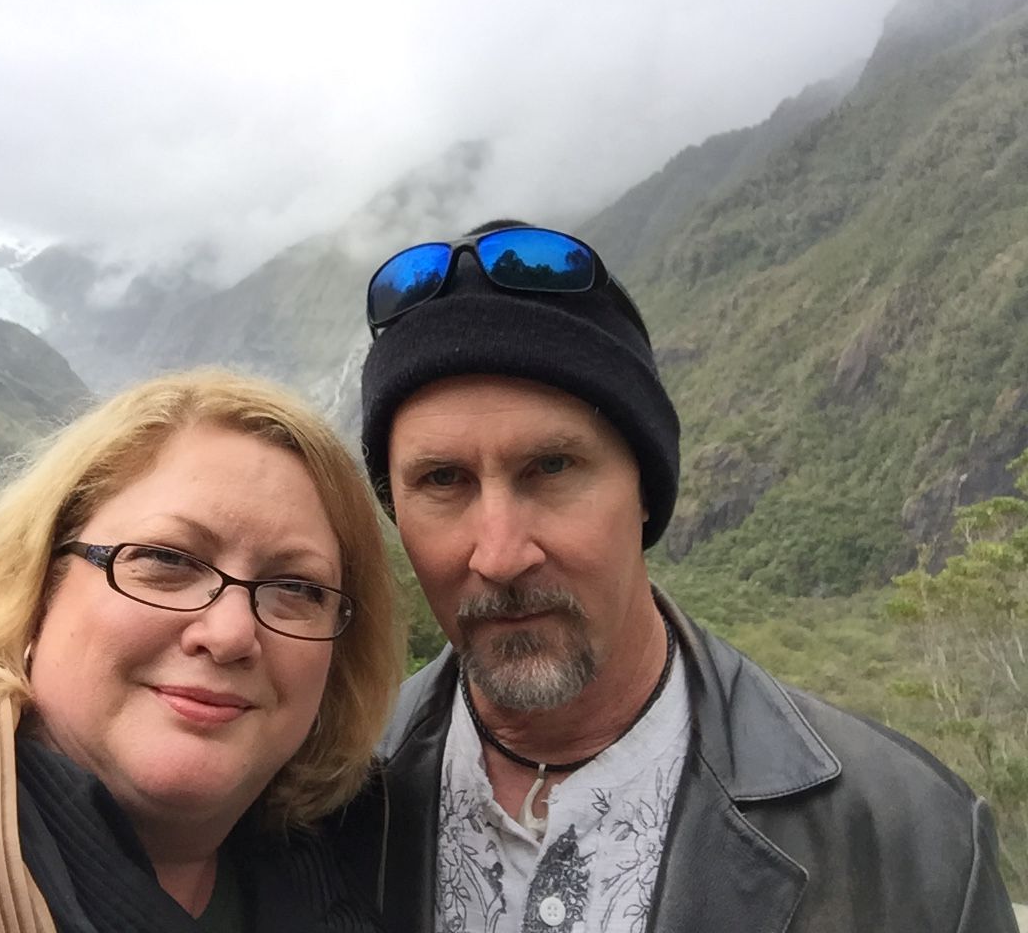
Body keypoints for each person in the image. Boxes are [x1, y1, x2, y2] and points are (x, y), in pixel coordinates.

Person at [325, 221, 1018, 932]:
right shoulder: (321, 804)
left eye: (553, 467)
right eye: (443, 480)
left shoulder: (909, 841)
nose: (500, 555)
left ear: (646, 488)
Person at [0, 368, 403, 933]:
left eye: (296, 587)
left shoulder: (371, 864)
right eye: (165, 560)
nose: (231, 633)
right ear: (36, 590)